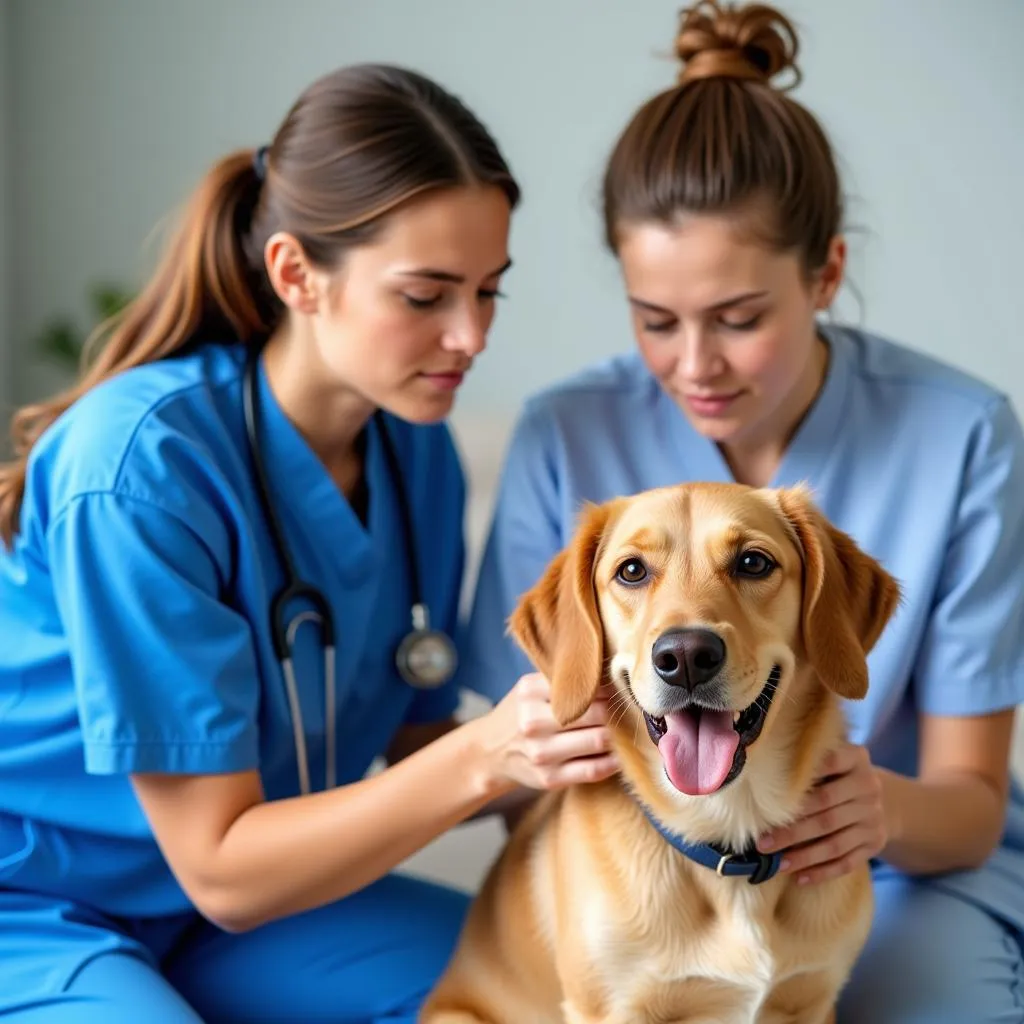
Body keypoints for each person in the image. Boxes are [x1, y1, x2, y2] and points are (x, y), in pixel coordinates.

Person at [0, 64, 618, 1022]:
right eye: (426, 296)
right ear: (296, 274)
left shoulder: (415, 450)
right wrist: (494, 752)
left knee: (556, 991)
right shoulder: (138, 469)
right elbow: (222, 868)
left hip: (252, 907)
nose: (471, 337)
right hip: (42, 906)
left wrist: (625, 769)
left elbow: (415, 739)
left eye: (488, 292)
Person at [464, 3, 1024, 1021]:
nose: (694, 365)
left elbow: (971, 805)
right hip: (651, 862)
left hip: (890, 855)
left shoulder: (965, 432)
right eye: (655, 321)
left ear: (826, 276)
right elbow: (513, 772)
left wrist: (869, 807)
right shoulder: (563, 433)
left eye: (738, 318)